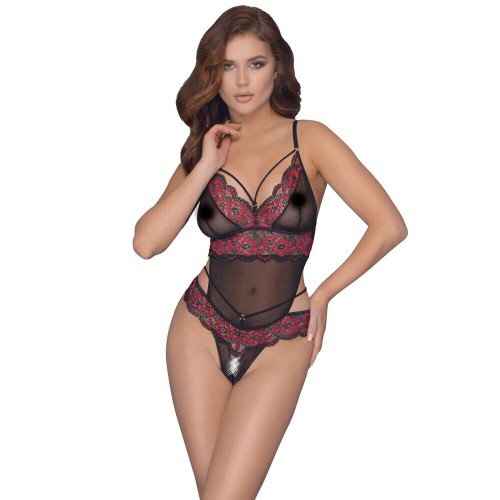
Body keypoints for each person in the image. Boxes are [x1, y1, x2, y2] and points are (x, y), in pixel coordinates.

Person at [133, 5, 407, 499]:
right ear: (212, 74)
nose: (242, 81)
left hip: (283, 337)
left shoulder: (311, 139)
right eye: (228, 66)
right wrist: (205, 165)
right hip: (198, 330)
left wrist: (324, 294)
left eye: (255, 64)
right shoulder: (205, 149)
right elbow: (146, 243)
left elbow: (389, 226)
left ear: (277, 67)